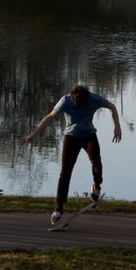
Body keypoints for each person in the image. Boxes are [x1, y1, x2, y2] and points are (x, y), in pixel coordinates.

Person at [21, 84, 122, 225]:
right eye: (77, 105)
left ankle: (96, 187)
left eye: (82, 105)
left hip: (89, 135)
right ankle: (59, 208)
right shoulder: (65, 101)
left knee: (97, 162)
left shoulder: (95, 98)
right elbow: (50, 117)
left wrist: (117, 126)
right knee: (65, 172)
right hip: (71, 137)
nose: (79, 107)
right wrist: (33, 134)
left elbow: (112, 107)